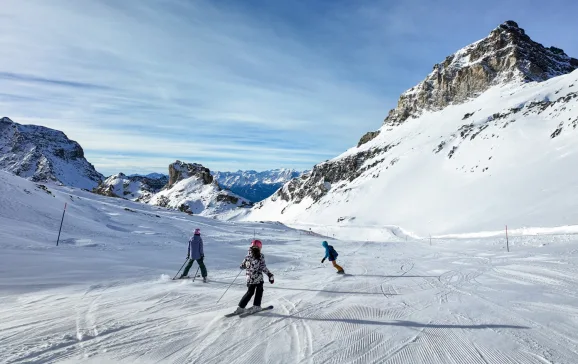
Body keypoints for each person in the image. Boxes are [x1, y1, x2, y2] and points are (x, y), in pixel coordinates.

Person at [232, 240, 274, 314]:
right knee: (259, 290)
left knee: (250, 292)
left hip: (249, 278)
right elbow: (263, 267)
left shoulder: (247, 256)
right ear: (259, 247)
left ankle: (241, 308)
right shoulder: (260, 256)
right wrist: (269, 274)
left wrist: (245, 265)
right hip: (258, 278)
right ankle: (256, 306)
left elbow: (241, 266)